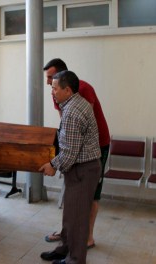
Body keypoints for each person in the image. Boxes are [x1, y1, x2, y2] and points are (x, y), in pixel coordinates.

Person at [43, 58, 110, 248]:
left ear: (65, 82)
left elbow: (78, 120)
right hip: (75, 149)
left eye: (51, 78)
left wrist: (57, 162)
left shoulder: (83, 90)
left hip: (97, 146)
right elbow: (65, 123)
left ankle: (86, 237)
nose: (49, 83)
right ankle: (68, 237)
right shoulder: (58, 92)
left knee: (89, 195)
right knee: (73, 198)